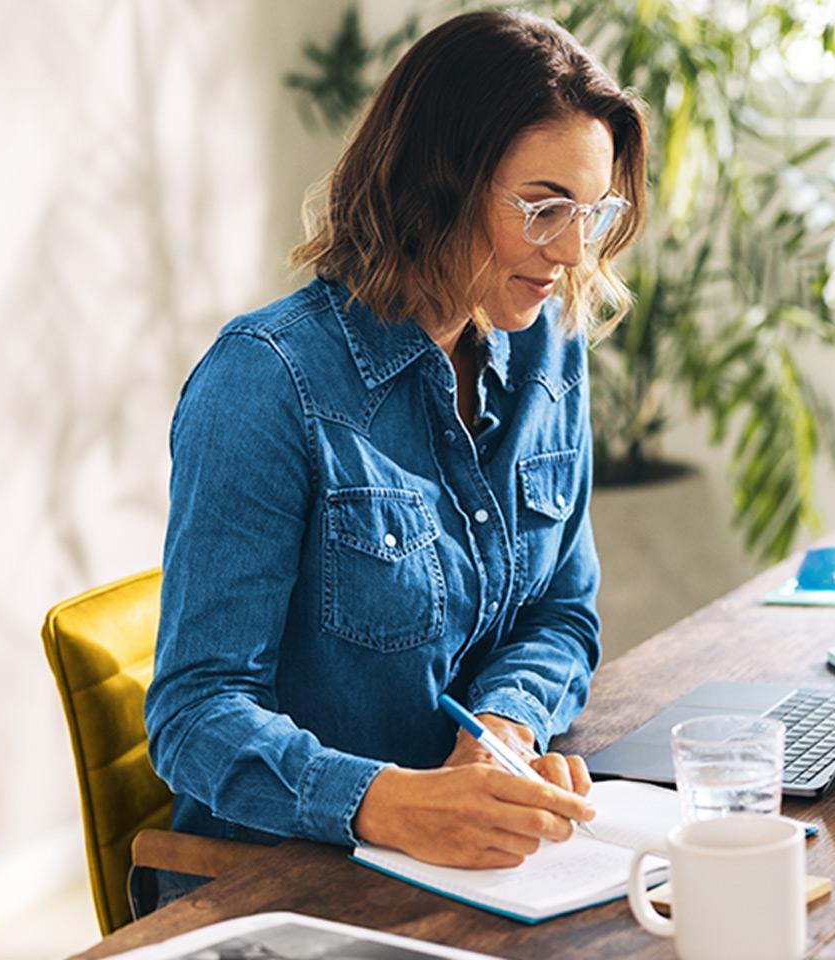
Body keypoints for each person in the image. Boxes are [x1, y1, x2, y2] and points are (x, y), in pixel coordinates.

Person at [142, 9, 649, 911]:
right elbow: (195, 719)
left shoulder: (546, 349)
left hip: (467, 874)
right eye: (543, 208)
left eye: (593, 211)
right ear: (437, 183)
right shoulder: (267, 386)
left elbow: (561, 614)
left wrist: (499, 731)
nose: (573, 253)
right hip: (280, 886)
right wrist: (388, 804)